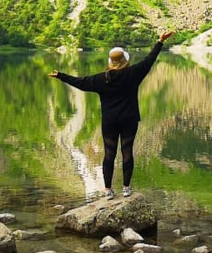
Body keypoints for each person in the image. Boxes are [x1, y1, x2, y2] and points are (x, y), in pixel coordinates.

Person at [49, 31, 173, 199]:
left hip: (110, 121)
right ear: (125, 60)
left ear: (110, 62)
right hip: (129, 119)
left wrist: (61, 76)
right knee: (127, 151)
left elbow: (80, 82)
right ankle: (126, 189)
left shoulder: (101, 79)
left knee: (109, 154)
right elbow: (149, 60)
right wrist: (159, 41)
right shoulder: (134, 73)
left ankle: (108, 191)